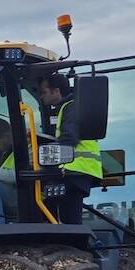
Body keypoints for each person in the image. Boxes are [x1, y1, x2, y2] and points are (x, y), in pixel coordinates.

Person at [38, 73, 103, 225]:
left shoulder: (71, 108)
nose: (41, 97)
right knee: (65, 219)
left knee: (67, 221)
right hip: (75, 171)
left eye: (43, 92)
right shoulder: (67, 108)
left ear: (56, 91)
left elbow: (69, 139)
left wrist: (43, 154)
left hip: (75, 170)